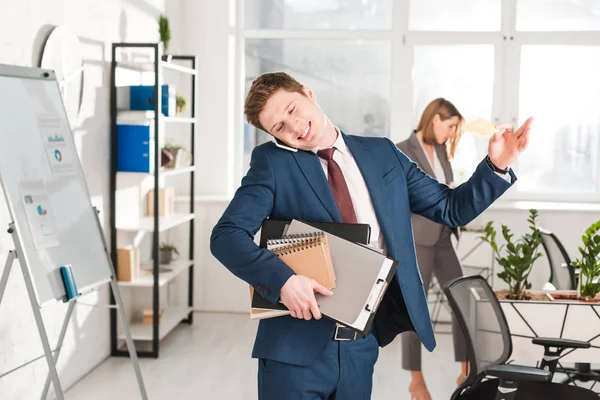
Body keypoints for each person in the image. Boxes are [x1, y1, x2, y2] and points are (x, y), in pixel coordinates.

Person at [210, 72, 532, 400]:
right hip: (294, 351)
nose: (293, 126)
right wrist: (283, 281)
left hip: (360, 347)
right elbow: (227, 235)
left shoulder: (382, 153)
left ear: (308, 92)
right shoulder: (273, 164)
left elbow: (450, 208)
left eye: (292, 109)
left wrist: (497, 165)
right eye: (279, 127)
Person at [397, 98, 469, 400]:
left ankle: (466, 370)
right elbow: (399, 200)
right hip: (418, 242)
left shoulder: (441, 151)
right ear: (435, 119)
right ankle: (416, 379)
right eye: (450, 126)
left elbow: (444, 190)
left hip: (443, 238)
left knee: (463, 302)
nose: (451, 133)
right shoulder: (402, 150)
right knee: (415, 311)